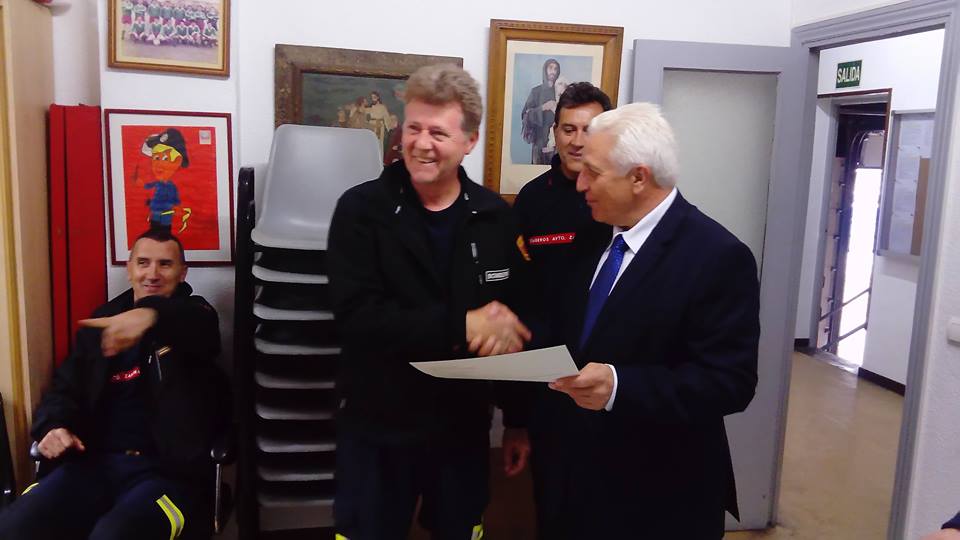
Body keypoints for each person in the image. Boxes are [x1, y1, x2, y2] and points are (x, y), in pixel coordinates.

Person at [531, 102, 760, 539]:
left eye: (593, 173)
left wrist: (620, 387)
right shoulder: (590, 234)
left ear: (638, 177)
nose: (580, 184)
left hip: (659, 494)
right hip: (571, 481)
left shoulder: (716, 257)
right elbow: (571, 329)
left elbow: (730, 382)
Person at [328, 63, 534, 540]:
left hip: (461, 428)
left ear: (470, 141)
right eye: (413, 127)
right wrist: (461, 326)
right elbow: (359, 319)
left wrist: (518, 420)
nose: (420, 143)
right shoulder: (362, 211)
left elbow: (509, 327)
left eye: (438, 133)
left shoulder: (494, 217)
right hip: (377, 424)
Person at [0, 229, 231, 540]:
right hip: (92, 466)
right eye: (144, 262)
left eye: (165, 264)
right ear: (130, 268)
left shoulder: (195, 317)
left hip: (167, 476)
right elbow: (63, 390)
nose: (152, 273)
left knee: (114, 534)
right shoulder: (102, 321)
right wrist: (53, 426)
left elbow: (199, 325)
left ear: (182, 272)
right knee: (16, 524)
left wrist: (151, 315)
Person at [512, 81, 612, 346]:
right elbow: (517, 281)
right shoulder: (531, 198)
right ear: (555, 132)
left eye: (588, 131)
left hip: (604, 353)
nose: (577, 142)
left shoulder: (619, 199)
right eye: (569, 129)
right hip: (541, 354)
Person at [520, 58, 561, 165]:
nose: (553, 71)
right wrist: (543, 107)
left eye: (555, 69)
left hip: (556, 142)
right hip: (539, 140)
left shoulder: (560, 91)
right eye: (550, 68)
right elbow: (525, 115)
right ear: (545, 70)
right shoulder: (536, 91)